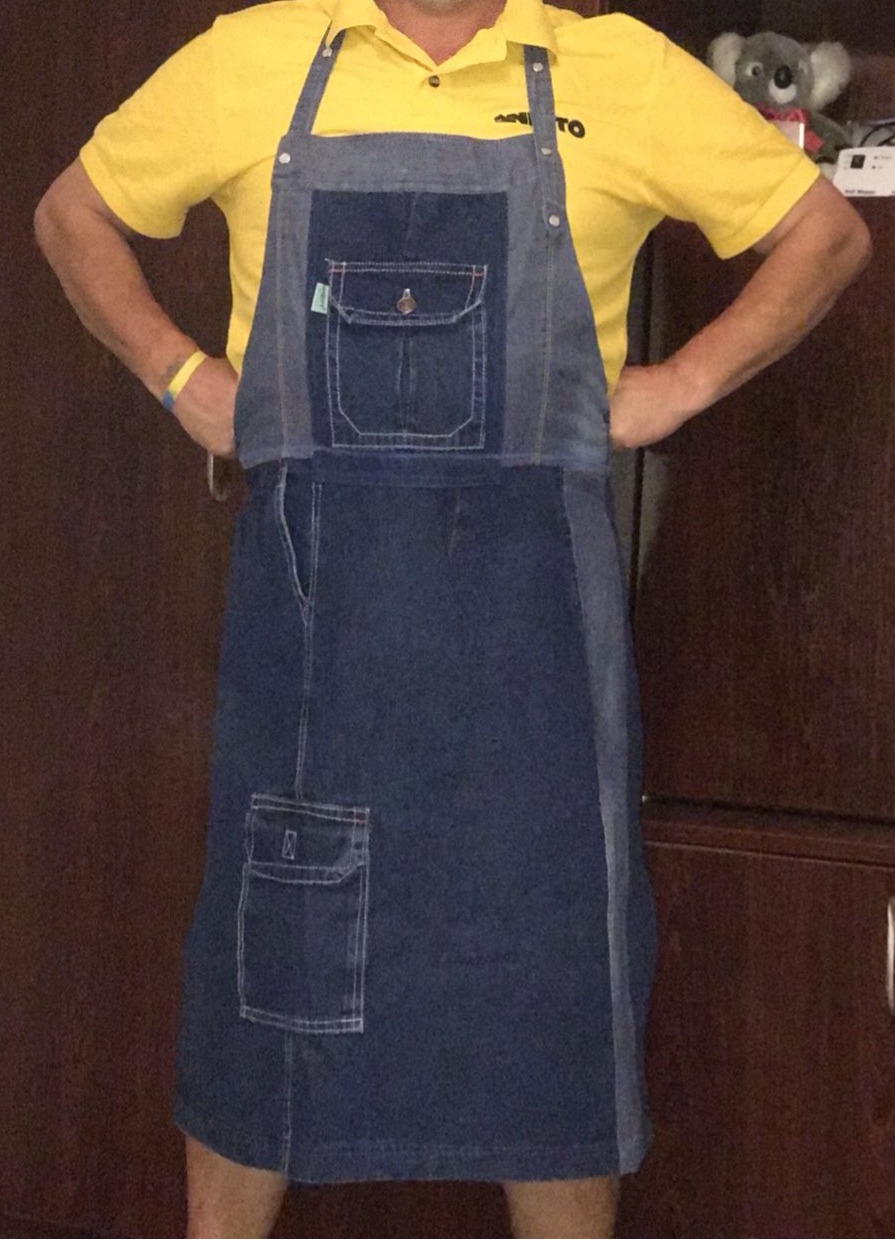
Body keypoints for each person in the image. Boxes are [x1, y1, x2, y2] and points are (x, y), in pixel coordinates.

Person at [34, 0, 870, 1234]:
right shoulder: (254, 54)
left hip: (532, 674)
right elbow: (72, 214)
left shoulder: (615, 68)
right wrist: (183, 379)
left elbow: (825, 235)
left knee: (553, 1002)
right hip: (314, 661)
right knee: (268, 977)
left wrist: (678, 385)